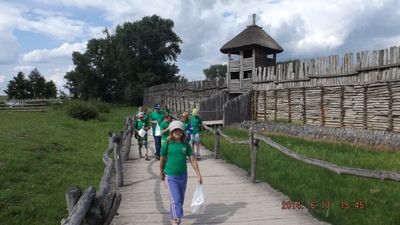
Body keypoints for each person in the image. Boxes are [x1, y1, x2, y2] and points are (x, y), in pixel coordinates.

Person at [160, 120, 203, 225]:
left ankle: (176, 216)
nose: (177, 132)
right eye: (175, 130)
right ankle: (174, 220)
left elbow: (192, 159)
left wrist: (198, 175)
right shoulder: (166, 144)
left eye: (179, 130)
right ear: (171, 132)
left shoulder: (186, 144)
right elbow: (162, 159)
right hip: (170, 176)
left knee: (180, 199)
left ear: (183, 132)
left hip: (183, 175)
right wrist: (161, 172)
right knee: (176, 200)